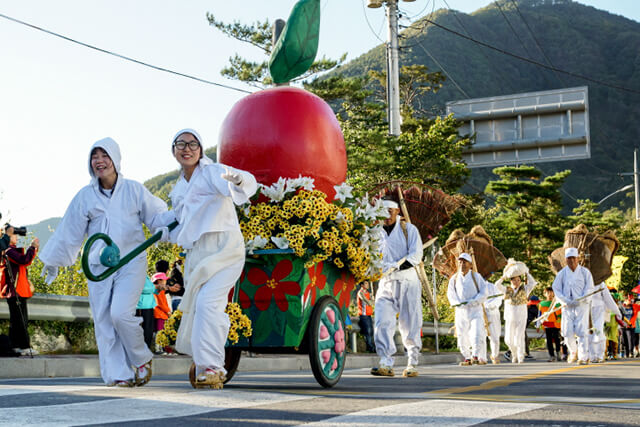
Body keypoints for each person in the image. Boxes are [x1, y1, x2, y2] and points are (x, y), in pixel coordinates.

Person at [39, 137, 173, 387]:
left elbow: (156, 216)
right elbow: (69, 231)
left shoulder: (134, 190)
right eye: (95, 156)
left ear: (116, 159)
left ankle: (141, 359)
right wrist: (53, 261)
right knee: (103, 320)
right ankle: (119, 374)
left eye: (105, 155)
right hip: (98, 266)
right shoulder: (85, 197)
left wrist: (166, 226)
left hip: (131, 262)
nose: (99, 161)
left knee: (120, 315)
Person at [164, 128, 257, 389]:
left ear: (201, 150)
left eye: (192, 144)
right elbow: (180, 223)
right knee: (199, 308)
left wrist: (238, 181)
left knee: (207, 304)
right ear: (174, 151)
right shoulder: (178, 189)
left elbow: (235, 184)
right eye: (180, 144)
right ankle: (205, 364)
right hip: (199, 255)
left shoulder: (213, 171)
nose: (187, 148)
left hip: (225, 249)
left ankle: (214, 367)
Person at [370, 200, 424, 378]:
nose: (386, 215)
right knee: (381, 321)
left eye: (389, 211)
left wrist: (397, 266)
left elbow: (416, 254)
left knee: (410, 322)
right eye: (382, 211)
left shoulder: (409, 230)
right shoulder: (374, 232)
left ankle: (412, 362)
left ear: (397, 211)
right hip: (385, 282)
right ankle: (385, 362)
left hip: (407, 281)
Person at [551, 247, 595, 364]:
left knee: (581, 331)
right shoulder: (562, 273)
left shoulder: (585, 272)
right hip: (567, 306)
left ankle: (583, 356)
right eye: (569, 258)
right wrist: (565, 300)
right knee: (566, 331)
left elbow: (589, 288)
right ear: (566, 260)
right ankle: (573, 352)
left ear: (578, 258)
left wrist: (582, 299)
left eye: (573, 258)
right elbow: (556, 289)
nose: (571, 261)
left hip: (581, 306)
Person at [0, 227, 38, 355]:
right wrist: (32, 248)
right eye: (14, 235)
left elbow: (24, 264)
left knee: (17, 320)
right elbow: (24, 260)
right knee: (21, 320)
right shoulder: (9, 251)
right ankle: (25, 346)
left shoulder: (11, 250)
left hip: (19, 291)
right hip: (15, 291)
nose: (17, 237)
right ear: (8, 237)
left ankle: (15, 346)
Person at [447, 252, 489, 366]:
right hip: (461, 312)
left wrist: (473, 301)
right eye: (460, 262)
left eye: (464, 262)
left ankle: (475, 355)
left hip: (475, 311)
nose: (462, 264)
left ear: (470, 264)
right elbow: (451, 294)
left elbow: (484, 292)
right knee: (461, 335)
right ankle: (467, 356)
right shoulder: (454, 278)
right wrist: (457, 303)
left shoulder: (476, 277)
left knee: (476, 332)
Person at [494, 258, 537, 364]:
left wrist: (527, 273)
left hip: (521, 316)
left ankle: (520, 356)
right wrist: (503, 277)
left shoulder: (525, 290)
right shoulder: (507, 290)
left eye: (518, 280)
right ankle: (513, 353)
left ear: (520, 281)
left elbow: (532, 283)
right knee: (508, 339)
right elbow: (497, 285)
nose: (516, 282)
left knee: (519, 336)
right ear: (511, 280)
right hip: (509, 317)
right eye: (514, 280)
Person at [587, 282, 621, 363]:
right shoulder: (583, 279)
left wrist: (616, 311)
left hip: (599, 310)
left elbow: (608, 299)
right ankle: (592, 355)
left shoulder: (601, 284)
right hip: (586, 309)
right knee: (589, 333)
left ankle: (600, 355)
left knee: (598, 332)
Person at [480, 279, 503, 364]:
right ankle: (481, 357)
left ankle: (494, 355)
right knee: (480, 336)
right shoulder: (474, 286)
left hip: (492, 312)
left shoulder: (493, 286)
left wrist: (488, 305)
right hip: (479, 313)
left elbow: (499, 297)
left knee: (495, 336)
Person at [539, 287, 563, 362]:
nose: (549, 294)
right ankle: (551, 355)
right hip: (547, 323)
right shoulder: (542, 304)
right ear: (544, 294)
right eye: (548, 292)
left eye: (551, 292)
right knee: (549, 340)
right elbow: (540, 315)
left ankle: (558, 352)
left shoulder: (558, 303)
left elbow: (560, 314)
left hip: (555, 323)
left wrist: (560, 323)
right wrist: (538, 325)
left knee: (557, 338)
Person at [135, 276, 156, 351]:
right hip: (141, 306)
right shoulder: (136, 275)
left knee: (149, 329)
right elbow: (146, 288)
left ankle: (147, 348)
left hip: (149, 306)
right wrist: (153, 288)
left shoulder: (145, 275)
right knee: (142, 329)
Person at [357, 281, 375, 353]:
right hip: (363, 315)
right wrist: (372, 300)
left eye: (367, 283)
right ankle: (370, 348)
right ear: (362, 285)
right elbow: (369, 302)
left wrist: (372, 299)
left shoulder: (368, 293)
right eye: (366, 284)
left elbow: (373, 303)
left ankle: (372, 347)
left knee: (371, 332)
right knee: (368, 332)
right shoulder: (360, 293)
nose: (367, 285)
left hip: (369, 315)